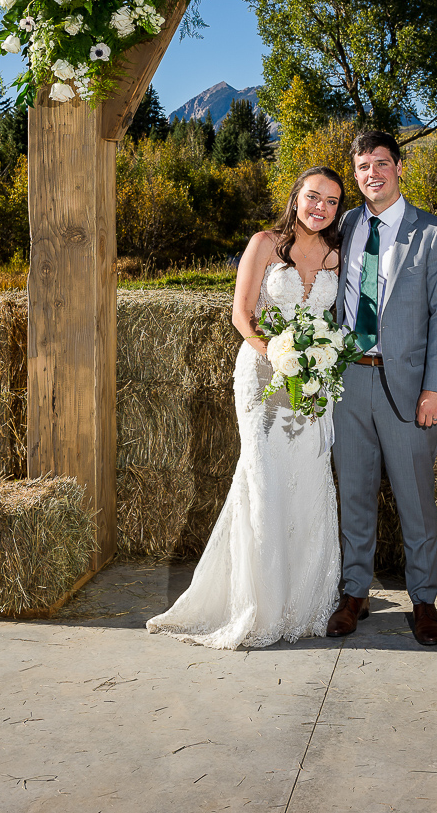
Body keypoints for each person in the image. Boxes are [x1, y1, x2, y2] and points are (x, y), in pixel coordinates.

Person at [147, 167, 345, 649]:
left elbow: (336, 318)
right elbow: (241, 312)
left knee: (307, 477)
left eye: (333, 201)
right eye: (313, 196)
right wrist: (275, 353)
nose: (321, 207)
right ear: (296, 196)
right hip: (261, 376)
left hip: (312, 384)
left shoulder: (339, 256)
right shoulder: (263, 243)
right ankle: (255, 603)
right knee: (262, 476)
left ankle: (300, 603)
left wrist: (315, 363)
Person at [328, 131, 437, 646]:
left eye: (380, 164)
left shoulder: (432, 233)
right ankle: (353, 593)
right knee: (354, 493)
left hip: (407, 386)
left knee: (415, 498)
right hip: (349, 379)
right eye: (362, 167)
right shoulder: (346, 226)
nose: (371, 175)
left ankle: (423, 599)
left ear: (399, 167)